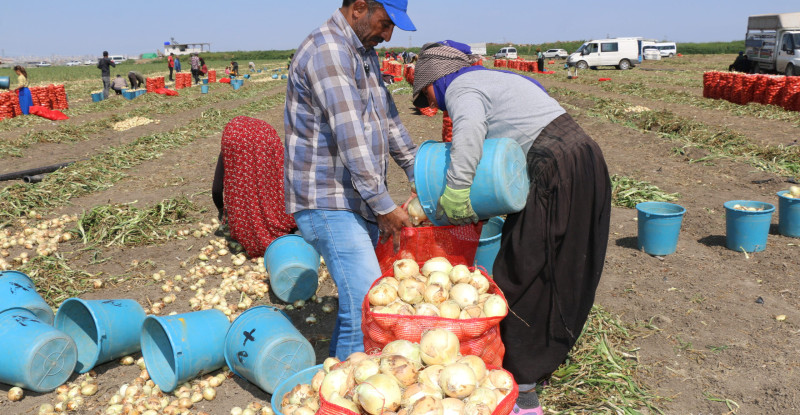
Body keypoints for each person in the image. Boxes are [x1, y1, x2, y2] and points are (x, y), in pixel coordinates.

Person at [412, 42, 612, 415]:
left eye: (425, 95)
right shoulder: (496, 77)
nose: (433, 105)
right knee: (566, 261)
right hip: (583, 159)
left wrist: (456, 190)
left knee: (522, 268)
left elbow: (469, 135)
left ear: (435, 79)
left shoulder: (461, 88)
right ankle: (553, 347)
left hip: (555, 168)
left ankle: (521, 384)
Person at [284, 0, 418, 360]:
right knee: (364, 298)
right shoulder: (328, 51)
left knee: (360, 301)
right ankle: (345, 397)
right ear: (359, 7)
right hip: (327, 199)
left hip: (354, 196)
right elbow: (351, 137)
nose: (388, 36)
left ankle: (338, 378)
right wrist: (384, 204)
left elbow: (387, 119)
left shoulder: (363, 53)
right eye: (385, 23)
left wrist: (419, 173)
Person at [212, 116, 298, 257]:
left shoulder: (233, 145)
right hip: (285, 231)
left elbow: (216, 190)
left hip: (247, 235)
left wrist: (222, 211)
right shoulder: (270, 145)